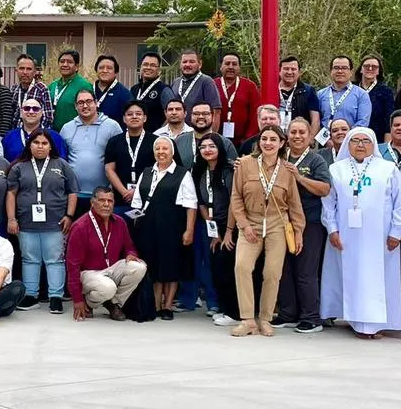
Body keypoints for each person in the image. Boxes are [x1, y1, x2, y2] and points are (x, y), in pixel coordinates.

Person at [321, 127, 401, 338]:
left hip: (380, 238)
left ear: (373, 144)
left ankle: (375, 323)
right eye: (355, 141)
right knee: (351, 276)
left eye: (366, 141)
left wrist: (396, 232)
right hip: (345, 236)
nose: (360, 145)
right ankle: (356, 321)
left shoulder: (388, 169)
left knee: (376, 278)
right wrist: (332, 229)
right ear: (347, 144)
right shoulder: (336, 169)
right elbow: (328, 203)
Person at [229, 125, 305, 337]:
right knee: (242, 267)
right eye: (264, 139)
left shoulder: (287, 170)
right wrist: (243, 225)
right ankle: (247, 320)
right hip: (250, 222)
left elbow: (294, 204)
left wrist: (298, 231)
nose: (268, 143)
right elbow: (236, 198)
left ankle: (265, 318)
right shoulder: (244, 164)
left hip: (276, 224)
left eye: (273, 139)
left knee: (272, 272)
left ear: (282, 144)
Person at [6, 129, 79, 313]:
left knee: (54, 259)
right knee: (29, 259)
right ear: (29, 145)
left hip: (55, 222)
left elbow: (72, 191)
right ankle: (31, 295)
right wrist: (12, 218)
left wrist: (69, 216)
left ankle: (55, 296)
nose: (40, 146)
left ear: (50, 146)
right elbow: (11, 194)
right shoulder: (18, 167)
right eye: (36, 143)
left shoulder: (61, 165)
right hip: (26, 222)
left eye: (44, 143)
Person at [127, 136, 198, 321]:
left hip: (172, 226)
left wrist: (189, 230)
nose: (161, 152)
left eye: (165, 148)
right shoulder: (147, 172)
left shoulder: (183, 174)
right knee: (153, 265)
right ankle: (156, 303)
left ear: (172, 152)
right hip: (148, 227)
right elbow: (137, 203)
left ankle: (167, 306)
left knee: (171, 265)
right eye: (157, 148)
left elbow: (191, 204)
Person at [272, 118, 331, 334]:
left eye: (302, 133)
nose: (297, 136)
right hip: (281, 222)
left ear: (309, 137)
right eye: (293, 132)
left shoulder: (316, 161)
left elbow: (325, 189)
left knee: (306, 271)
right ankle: (288, 313)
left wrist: (299, 177)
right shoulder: (279, 158)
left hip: (309, 222)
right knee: (284, 269)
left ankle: (311, 317)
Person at [66, 186, 147, 321]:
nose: (106, 205)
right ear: (92, 202)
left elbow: (129, 246)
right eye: (102, 200)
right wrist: (77, 300)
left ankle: (112, 303)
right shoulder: (80, 227)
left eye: (110, 201)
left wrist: (131, 253)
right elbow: (72, 266)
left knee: (139, 267)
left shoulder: (119, 222)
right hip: (88, 274)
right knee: (108, 287)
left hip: (110, 270)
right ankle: (89, 302)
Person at [191, 134, 240, 327]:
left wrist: (228, 231)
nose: (207, 150)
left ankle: (234, 312)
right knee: (216, 268)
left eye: (212, 146)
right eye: (203, 147)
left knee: (228, 269)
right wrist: (214, 231)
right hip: (213, 225)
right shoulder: (200, 171)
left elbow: (234, 202)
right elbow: (202, 202)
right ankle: (223, 307)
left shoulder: (229, 171)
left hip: (232, 224)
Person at [60, 89, 123, 216]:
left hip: (103, 196)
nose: (85, 106)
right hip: (74, 196)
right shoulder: (67, 128)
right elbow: (62, 161)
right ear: (75, 106)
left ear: (96, 103)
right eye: (81, 102)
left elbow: (121, 159)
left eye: (89, 101)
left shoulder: (112, 126)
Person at [105, 103, 156, 215]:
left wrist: (138, 191)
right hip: (122, 198)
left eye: (138, 114)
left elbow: (159, 171)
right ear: (124, 118)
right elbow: (109, 170)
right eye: (129, 114)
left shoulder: (155, 141)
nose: (134, 117)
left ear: (145, 118)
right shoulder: (114, 141)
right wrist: (125, 192)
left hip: (148, 198)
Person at [317, 55, 372, 134]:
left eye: (344, 68)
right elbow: (316, 121)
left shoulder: (362, 95)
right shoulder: (320, 95)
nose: (340, 71)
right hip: (325, 143)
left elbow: (363, 122)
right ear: (330, 71)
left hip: (351, 142)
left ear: (351, 72)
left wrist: (345, 138)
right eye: (336, 68)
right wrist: (327, 140)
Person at [1, 97, 68, 161]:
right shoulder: (9, 137)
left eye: (35, 109)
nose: (31, 112)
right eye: (27, 108)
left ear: (41, 113)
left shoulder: (54, 137)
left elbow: (62, 164)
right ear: (21, 113)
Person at [216, 52, 260, 146]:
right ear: (221, 67)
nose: (231, 67)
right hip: (216, 140)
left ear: (239, 67)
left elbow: (256, 114)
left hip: (243, 141)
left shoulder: (249, 86)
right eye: (227, 64)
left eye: (234, 64)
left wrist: (248, 139)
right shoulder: (212, 85)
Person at [172, 49, 222, 129]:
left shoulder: (207, 82)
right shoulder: (176, 82)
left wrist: (211, 137)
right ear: (180, 64)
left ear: (200, 64)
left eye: (192, 62)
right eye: (184, 62)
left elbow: (216, 111)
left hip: (199, 134)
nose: (187, 65)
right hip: (176, 132)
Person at [130, 51, 178, 131]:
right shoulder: (134, 89)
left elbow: (172, 115)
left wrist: (160, 133)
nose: (148, 67)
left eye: (152, 65)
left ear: (159, 70)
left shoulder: (164, 90)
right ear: (140, 67)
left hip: (155, 139)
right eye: (145, 64)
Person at [48, 49, 94, 131]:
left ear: (76, 67)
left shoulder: (84, 85)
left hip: (75, 134)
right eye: (62, 61)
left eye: (69, 62)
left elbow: (90, 113)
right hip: (52, 135)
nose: (65, 64)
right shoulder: (52, 86)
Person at [278, 55, 322, 137]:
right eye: (286, 69)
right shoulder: (271, 89)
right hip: (276, 139)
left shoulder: (308, 91)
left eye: (293, 69)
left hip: (299, 138)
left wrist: (310, 140)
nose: (289, 72)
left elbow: (315, 120)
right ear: (279, 71)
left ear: (299, 72)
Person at [9, 52, 53, 129]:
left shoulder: (42, 89)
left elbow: (48, 118)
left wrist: (36, 135)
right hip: (15, 134)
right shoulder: (14, 89)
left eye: (29, 69)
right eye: (21, 68)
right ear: (16, 70)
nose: (25, 72)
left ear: (35, 71)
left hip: (35, 136)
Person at [359, 55, 396, 142]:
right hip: (353, 137)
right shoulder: (352, 88)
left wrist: (386, 147)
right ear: (361, 69)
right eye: (367, 66)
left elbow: (388, 121)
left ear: (379, 71)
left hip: (376, 139)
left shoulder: (386, 91)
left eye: (374, 67)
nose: (370, 68)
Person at [92, 54, 133, 127]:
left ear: (116, 72)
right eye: (101, 68)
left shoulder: (124, 94)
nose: (105, 71)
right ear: (96, 70)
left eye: (109, 68)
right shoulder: (89, 90)